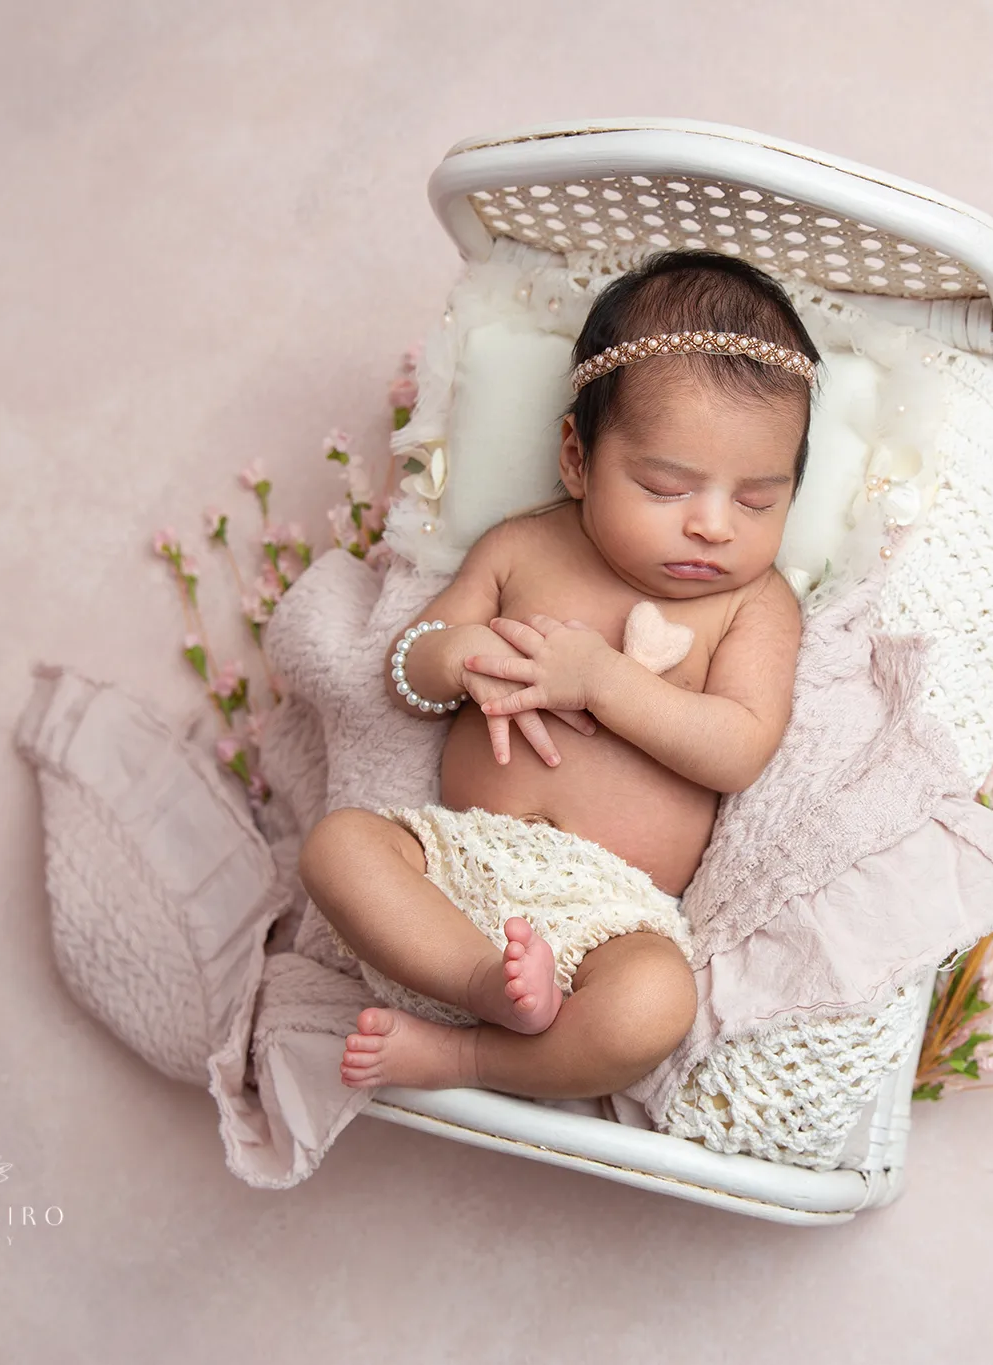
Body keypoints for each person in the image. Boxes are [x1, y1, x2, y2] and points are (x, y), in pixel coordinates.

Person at [297, 250, 819, 1100]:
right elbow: (407, 670)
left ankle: (466, 1055)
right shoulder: (522, 546)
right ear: (577, 458)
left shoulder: (754, 606)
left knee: (659, 1003)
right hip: (456, 863)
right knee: (338, 847)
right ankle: (479, 984)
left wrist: (602, 681)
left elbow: (740, 747)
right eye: (663, 486)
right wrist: (462, 658)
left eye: (759, 500)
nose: (714, 526)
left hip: (611, 912)